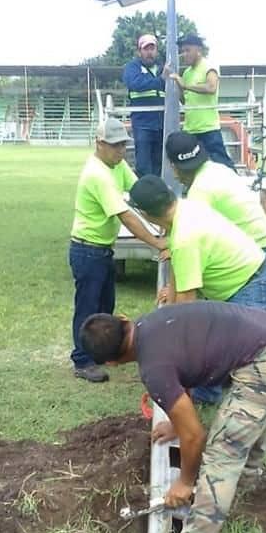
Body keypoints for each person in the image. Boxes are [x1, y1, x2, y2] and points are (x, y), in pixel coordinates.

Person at [79, 303, 266, 533]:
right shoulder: (153, 321)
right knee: (251, 412)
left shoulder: (153, 369)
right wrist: (177, 422)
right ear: (124, 319)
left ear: (111, 363)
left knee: (222, 455)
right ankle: (247, 481)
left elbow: (194, 436)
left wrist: (185, 482)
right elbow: (187, 362)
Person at [69, 117, 166, 383]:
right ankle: (82, 360)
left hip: (103, 250)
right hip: (87, 250)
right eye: (115, 145)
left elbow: (137, 193)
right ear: (99, 144)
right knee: (88, 309)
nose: (121, 150)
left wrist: (165, 214)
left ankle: (101, 351)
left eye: (123, 144)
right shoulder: (97, 174)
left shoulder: (117, 165)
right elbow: (126, 215)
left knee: (105, 307)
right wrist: (157, 242)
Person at [129, 175, 266, 311]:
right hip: (250, 275)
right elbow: (179, 268)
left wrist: (172, 329)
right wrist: (170, 301)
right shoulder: (184, 209)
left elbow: (186, 305)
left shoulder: (185, 237)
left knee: (240, 339)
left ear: (145, 214)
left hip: (249, 285)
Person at [165, 132, 266, 268]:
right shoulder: (219, 169)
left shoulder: (200, 189)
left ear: (174, 167)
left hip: (254, 249)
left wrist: (175, 249)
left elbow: (194, 236)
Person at [166, 33, 235, 170]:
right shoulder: (186, 73)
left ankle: (235, 187)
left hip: (208, 128)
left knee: (221, 164)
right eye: (182, 51)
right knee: (193, 167)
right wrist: (179, 84)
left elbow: (211, 87)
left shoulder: (209, 66)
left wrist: (186, 85)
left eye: (187, 50)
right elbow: (185, 100)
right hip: (190, 129)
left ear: (198, 50)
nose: (184, 54)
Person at [121, 34, 166, 178]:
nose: (149, 52)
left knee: (160, 161)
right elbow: (135, 84)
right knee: (144, 163)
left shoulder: (163, 67)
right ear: (139, 51)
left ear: (156, 51)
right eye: (146, 49)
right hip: (143, 124)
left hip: (162, 124)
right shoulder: (132, 67)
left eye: (152, 48)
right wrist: (161, 80)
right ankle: (145, 195)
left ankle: (158, 195)